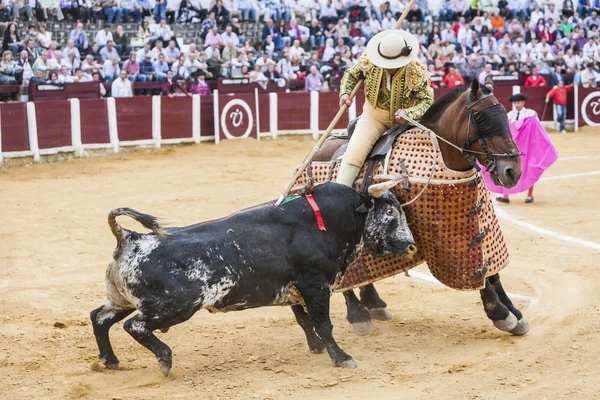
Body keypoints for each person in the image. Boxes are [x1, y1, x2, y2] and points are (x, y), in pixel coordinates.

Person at [337, 29, 433, 186]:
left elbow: (427, 101)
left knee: (426, 156)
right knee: (354, 154)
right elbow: (351, 74)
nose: (387, 67)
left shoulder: (417, 70)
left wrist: (409, 113)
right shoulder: (370, 60)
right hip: (374, 117)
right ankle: (340, 191)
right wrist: (345, 93)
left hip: (407, 124)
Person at [490, 92, 558, 204]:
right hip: (513, 149)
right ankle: (505, 195)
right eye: (514, 102)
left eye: (518, 102)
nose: (516, 104)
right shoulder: (510, 115)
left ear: (523, 102)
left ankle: (530, 195)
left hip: (527, 148)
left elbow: (536, 130)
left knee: (530, 168)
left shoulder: (530, 114)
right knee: (507, 169)